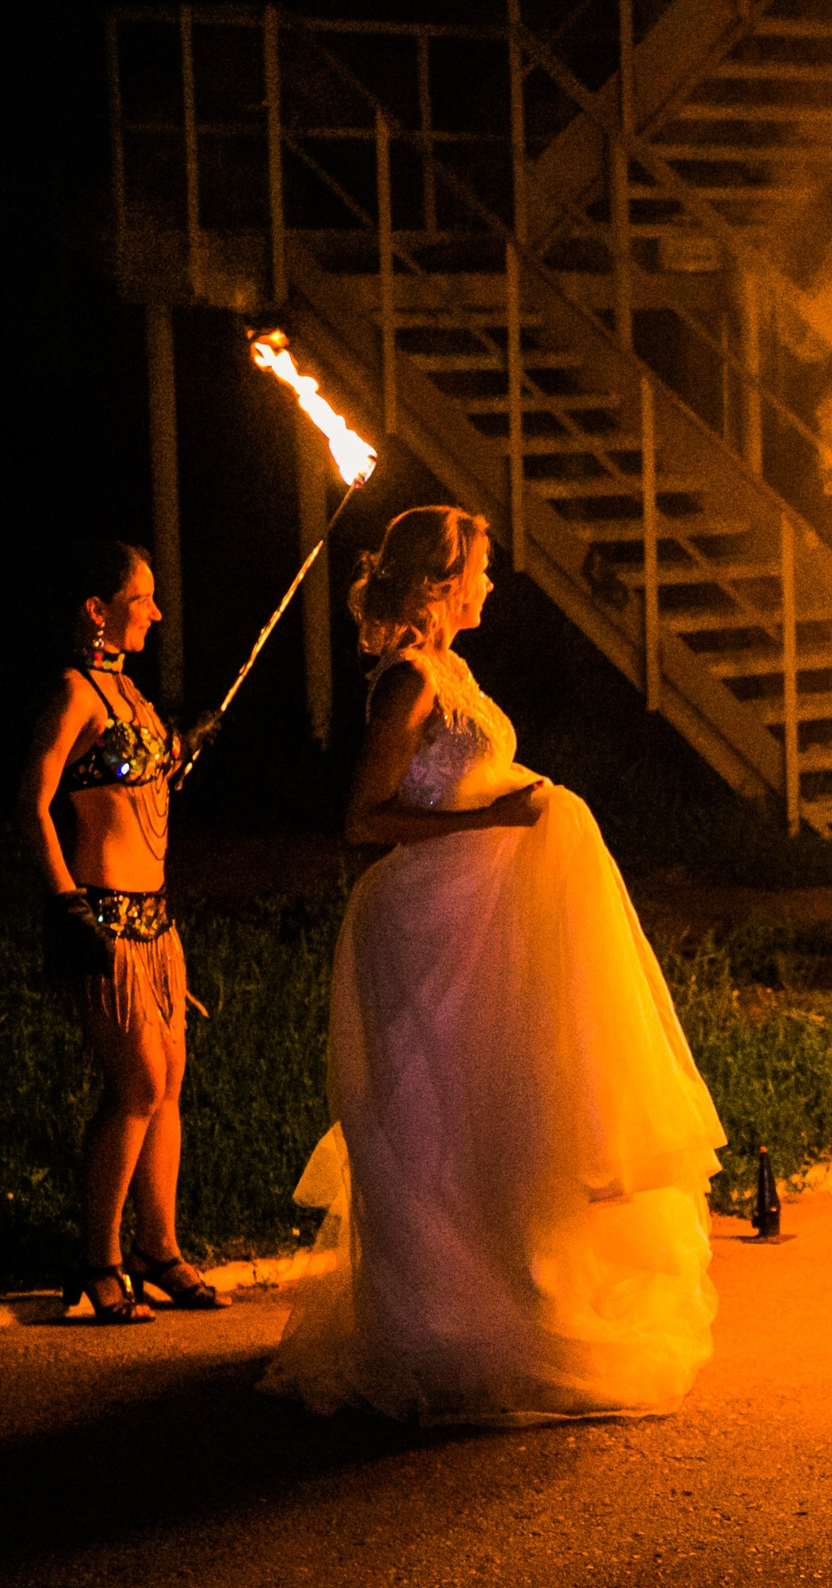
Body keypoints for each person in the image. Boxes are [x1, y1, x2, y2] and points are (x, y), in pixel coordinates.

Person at [260, 506, 723, 1423]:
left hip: (483, 923)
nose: (491, 583)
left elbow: (464, 773)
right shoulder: (408, 681)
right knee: (432, 1125)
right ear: (440, 581)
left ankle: (507, 1309)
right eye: (479, 567)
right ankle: (430, 1332)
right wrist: (496, 820)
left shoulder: (457, 669)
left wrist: (519, 801)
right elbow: (365, 819)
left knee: (496, 1120)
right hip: (426, 923)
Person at [20, 542, 222, 1323]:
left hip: (156, 922)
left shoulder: (131, 697)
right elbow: (32, 802)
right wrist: (66, 903)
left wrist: (181, 749)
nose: (157, 612)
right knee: (135, 1082)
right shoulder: (74, 694)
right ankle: (97, 1256)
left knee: (168, 1082)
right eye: (141, 598)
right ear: (96, 610)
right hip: (101, 916)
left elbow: (141, 788)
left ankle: (158, 1248)